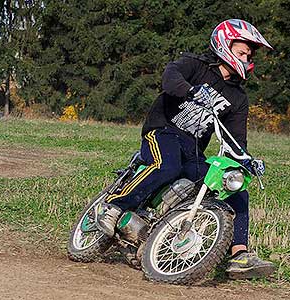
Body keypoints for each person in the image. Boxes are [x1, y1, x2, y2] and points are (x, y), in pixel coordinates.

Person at [97, 19, 275, 279]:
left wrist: (246, 161)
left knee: (235, 188)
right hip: (162, 131)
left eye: (249, 54)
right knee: (166, 165)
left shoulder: (238, 98)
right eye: (242, 52)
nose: (247, 58)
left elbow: (236, 140)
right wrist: (191, 91)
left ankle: (239, 254)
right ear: (224, 45)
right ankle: (113, 206)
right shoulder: (195, 65)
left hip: (192, 150)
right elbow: (170, 77)